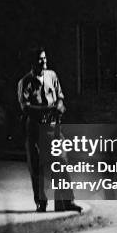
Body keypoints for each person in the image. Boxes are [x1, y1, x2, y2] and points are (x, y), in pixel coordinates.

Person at [17, 47, 82, 213]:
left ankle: (66, 201)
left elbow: (60, 96)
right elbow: (25, 107)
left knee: (61, 161)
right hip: (35, 127)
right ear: (32, 62)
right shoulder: (25, 82)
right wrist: (47, 109)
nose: (44, 61)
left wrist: (59, 106)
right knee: (37, 165)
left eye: (45, 58)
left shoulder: (52, 76)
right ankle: (41, 202)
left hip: (53, 126)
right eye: (40, 59)